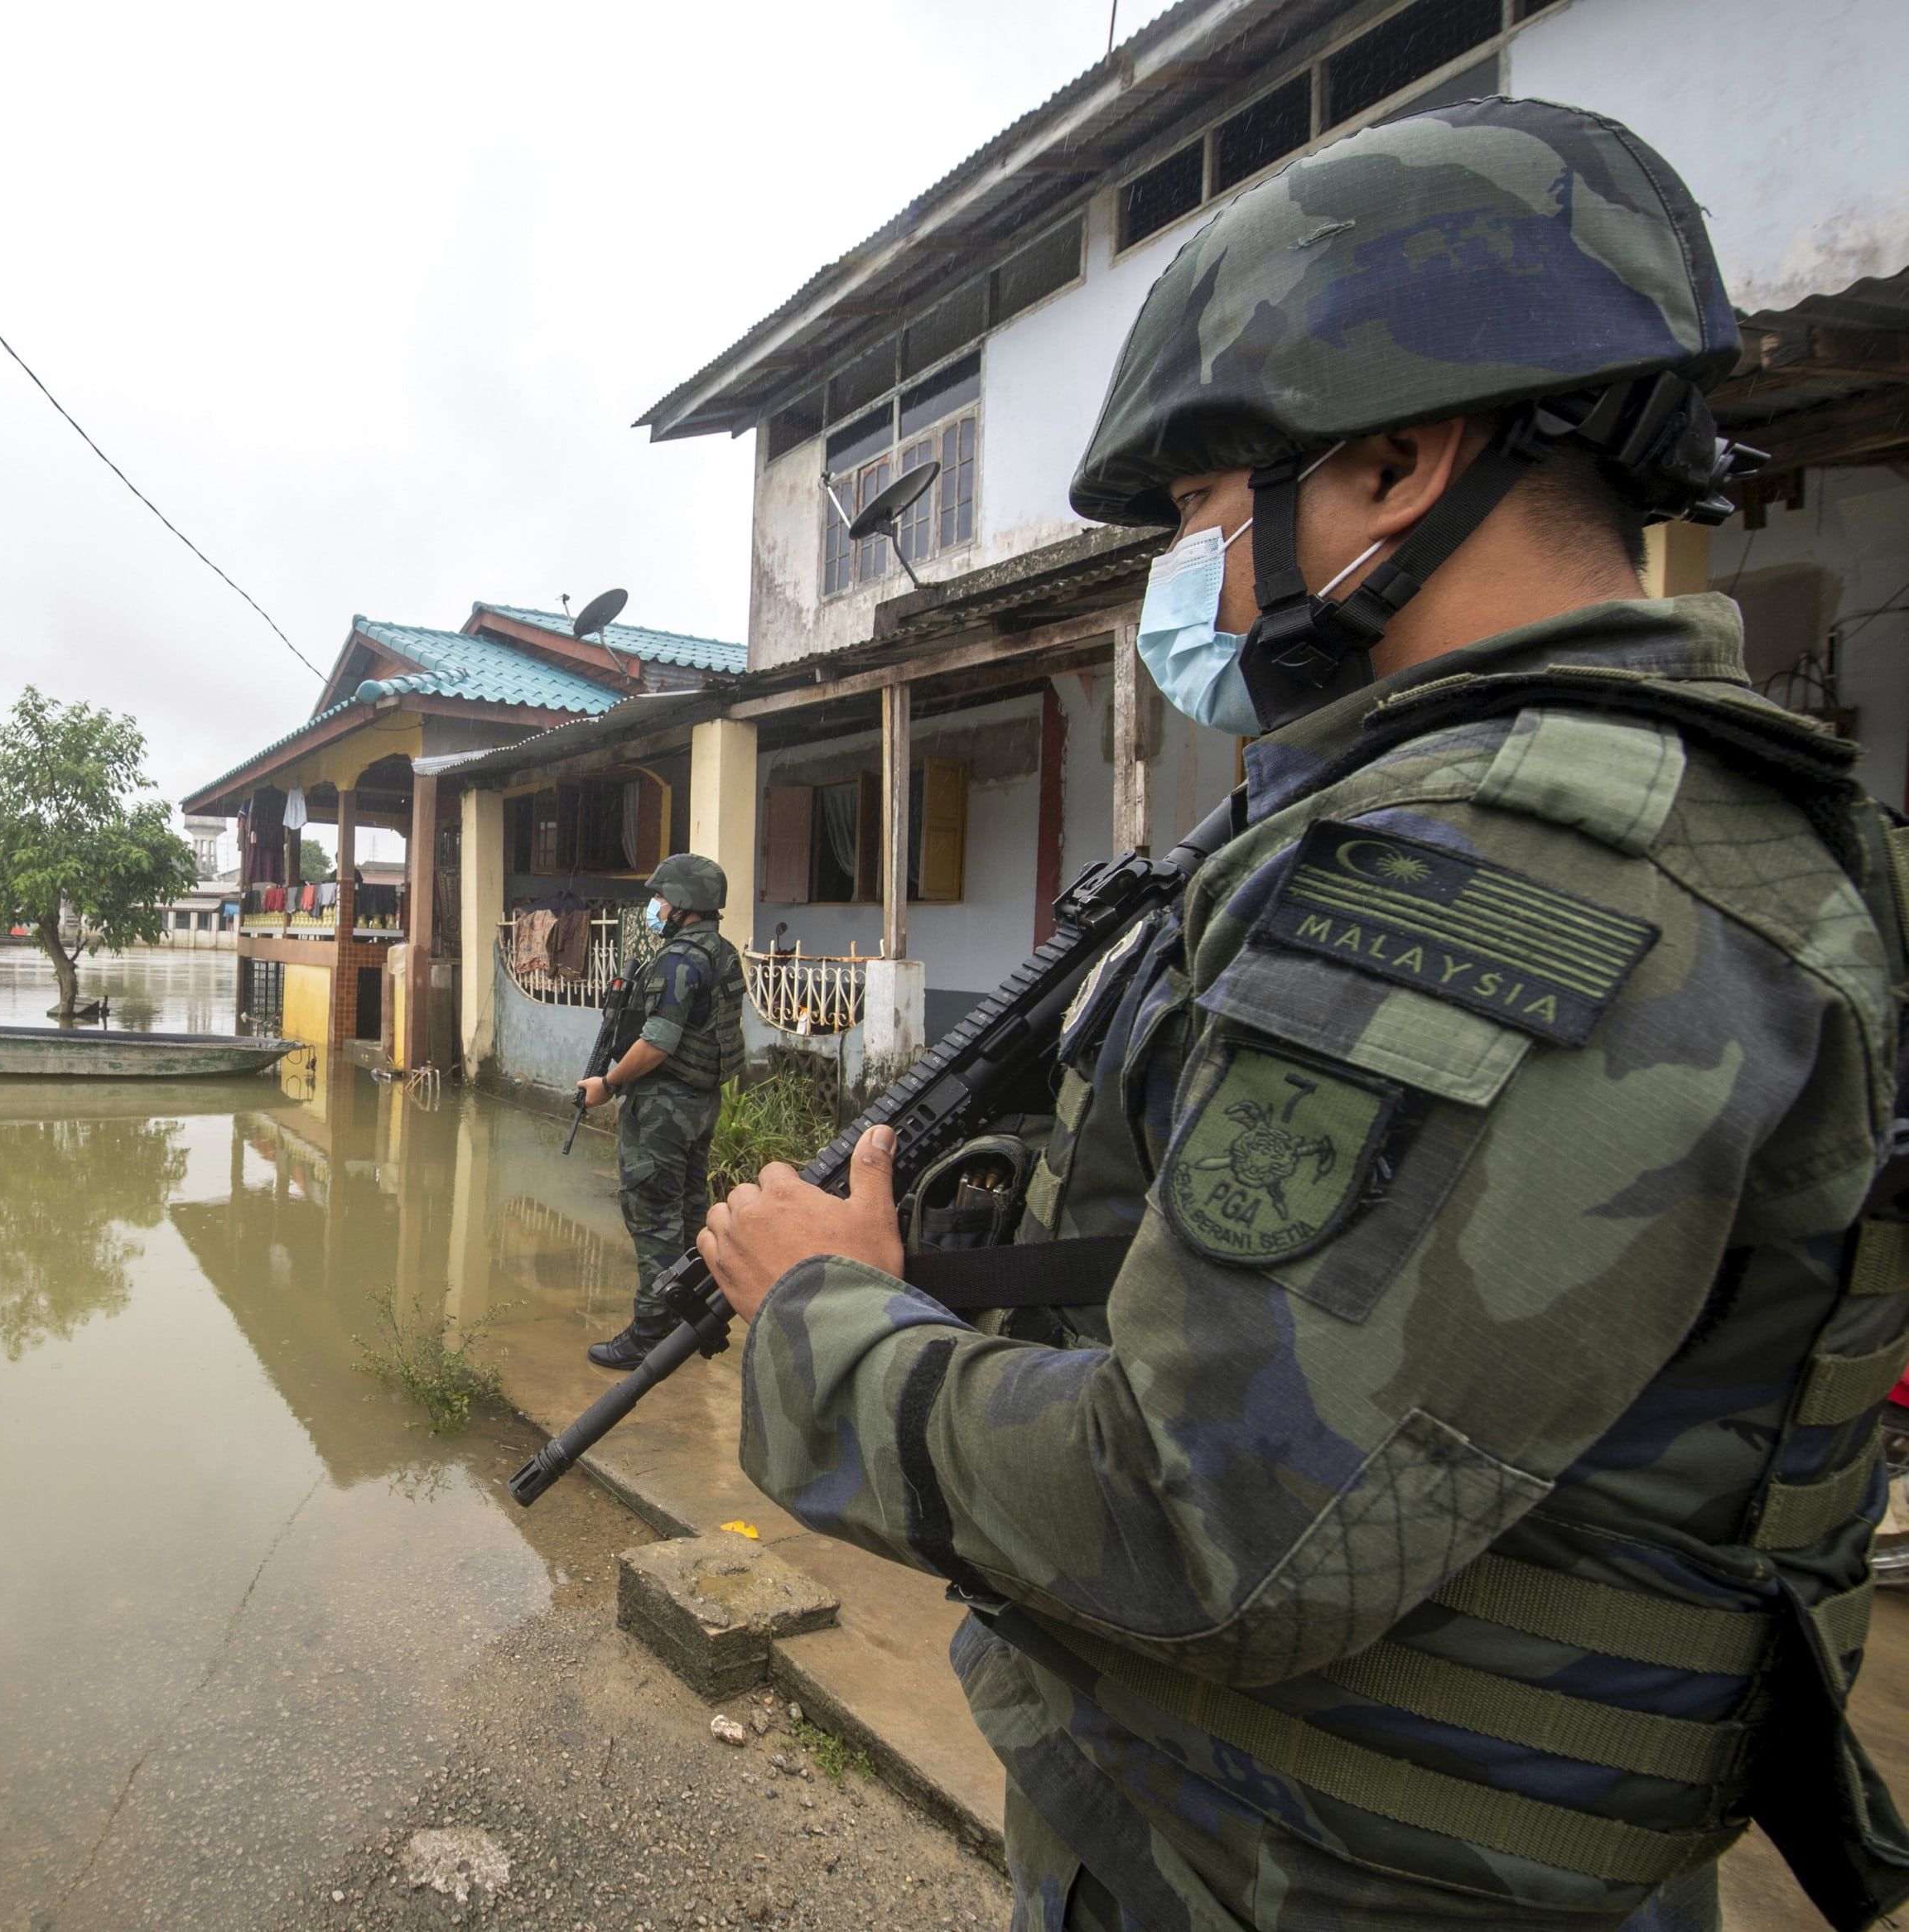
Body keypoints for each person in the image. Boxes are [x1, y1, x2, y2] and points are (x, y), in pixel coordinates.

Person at [701, 97, 1909, 1932]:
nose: (1185, 568)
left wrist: (821, 1319)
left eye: (1200, 506)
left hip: (1308, 1876)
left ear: (1400, 464)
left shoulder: (1499, 876)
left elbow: (1201, 1518)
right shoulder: (1649, 824)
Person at [582, 851, 747, 1371]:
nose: (653, 907)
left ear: (683, 905)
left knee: (653, 1215)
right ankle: (689, 1318)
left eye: (660, 898)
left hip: (664, 1107)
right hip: (701, 1103)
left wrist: (607, 1084)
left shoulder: (679, 960)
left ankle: (651, 1332)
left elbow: (656, 1044)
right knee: (687, 1214)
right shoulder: (721, 953)